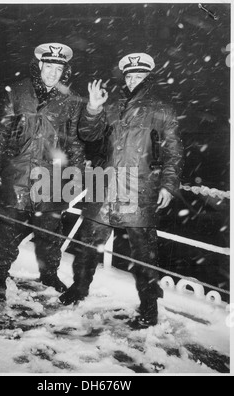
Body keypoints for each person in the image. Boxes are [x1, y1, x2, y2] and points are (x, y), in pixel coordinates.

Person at [60, 53, 184, 329]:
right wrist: (92, 108)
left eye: (138, 76)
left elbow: (173, 151)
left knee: (144, 251)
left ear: (148, 78)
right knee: (87, 242)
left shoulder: (162, 109)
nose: (133, 80)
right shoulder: (112, 105)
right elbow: (88, 135)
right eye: (129, 76)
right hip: (104, 183)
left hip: (139, 187)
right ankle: (79, 289)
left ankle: (149, 307)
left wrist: (168, 184)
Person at [0, 43, 85, 300]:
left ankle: (49, 275)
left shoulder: (71, 100)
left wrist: (79, 173)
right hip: (17, 174)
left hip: (51, 178)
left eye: (58, 68)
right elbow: (0, 134)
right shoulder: (17, 93)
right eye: (48, 66)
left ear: (65, 71)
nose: (52, 73)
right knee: (6, 230)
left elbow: (73, 141)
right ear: (39, 65)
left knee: (50, 233)